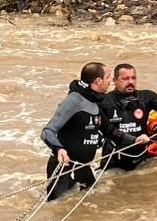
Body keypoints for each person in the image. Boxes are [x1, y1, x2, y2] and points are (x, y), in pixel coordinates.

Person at [40, 61, 108, 200]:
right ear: (98, 80)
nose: (110, 81)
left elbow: (110, 130)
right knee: (58, 210)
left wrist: (136, 140)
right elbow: (47, 131)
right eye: (108, 77)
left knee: (92, 208)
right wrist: (59, 149)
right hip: (63, 169)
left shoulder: (95, 100)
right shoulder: (73, 101)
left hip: (83, 169)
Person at [99, 62, 157, 172]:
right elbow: (104, 129)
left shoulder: (146, 96)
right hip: (114, 159)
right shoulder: (103, 101)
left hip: (141, 157)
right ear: (115, 81)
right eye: (125, 79)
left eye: (133, 78)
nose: (130, 82)